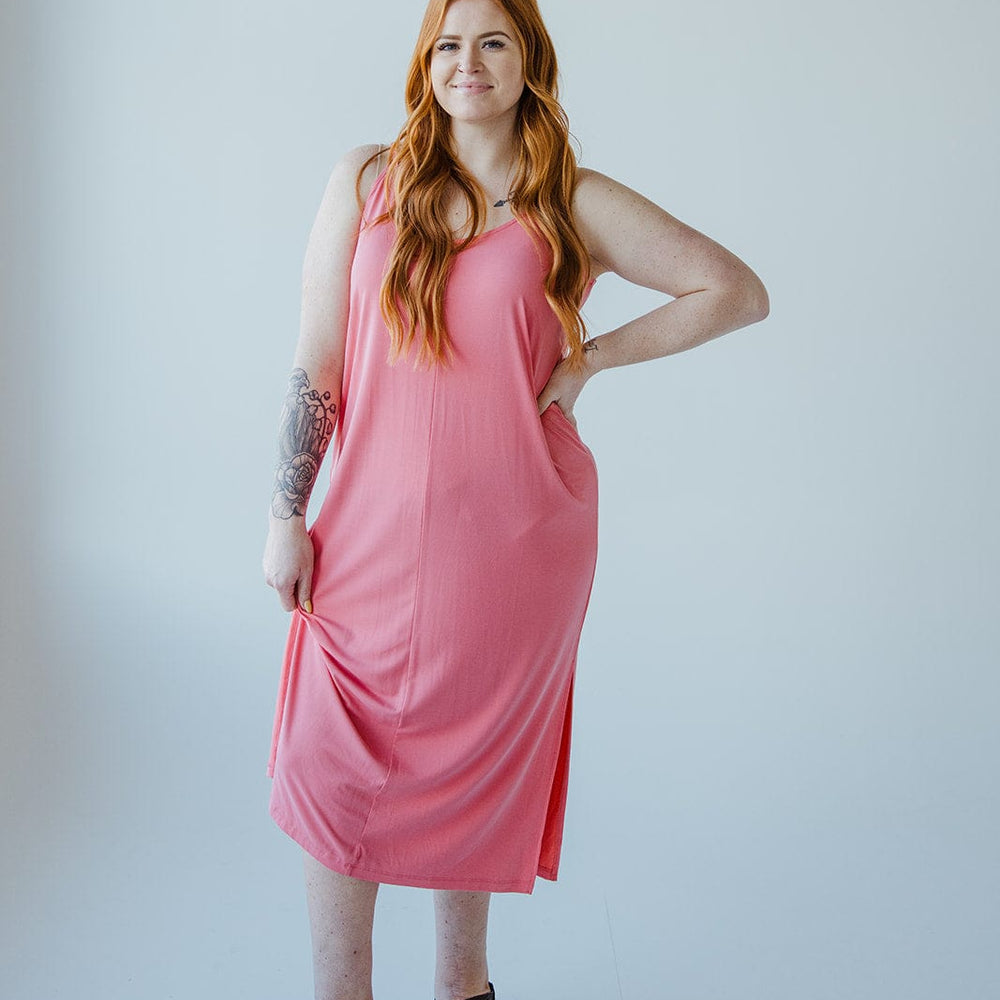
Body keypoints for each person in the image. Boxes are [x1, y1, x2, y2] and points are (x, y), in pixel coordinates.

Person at [262, 0, 769, 997]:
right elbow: (316, 359)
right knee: (334, 774)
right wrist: (286, 512)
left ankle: (462, 985)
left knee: (468, 791)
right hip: (360, 541)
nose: (467, 63)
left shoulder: (566, 202)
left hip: (509, 550)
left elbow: (731, 288)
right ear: (425, 62)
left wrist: (589, 357)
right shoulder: (366, 180)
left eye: (491, 40)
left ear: (528, 60)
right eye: (447, 43)